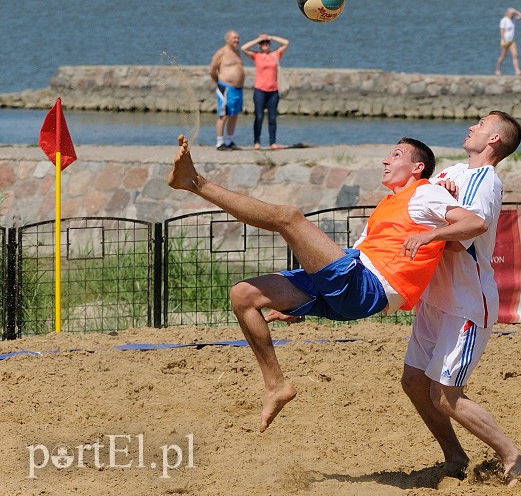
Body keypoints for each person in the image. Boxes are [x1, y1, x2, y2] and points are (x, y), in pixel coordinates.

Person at [167, 134, 486, 431]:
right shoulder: (390, 203)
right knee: (243, 295)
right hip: (353, 283)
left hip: (368, 285)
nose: (386, 160)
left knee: (288, 217)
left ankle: (196, 183)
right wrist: (302, 304)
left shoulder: (427, 191)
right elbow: (362, 253)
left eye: (396, 154)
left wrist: (431, 234)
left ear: (418, 168)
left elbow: (475, 222)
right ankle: (276, 386)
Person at [400, 111, 521, 486]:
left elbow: (461, 240)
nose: (472, 126)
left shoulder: (486, 181)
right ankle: (455, 455)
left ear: (494, 140)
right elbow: (419, 199)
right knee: (413, 381)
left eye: (481, 124)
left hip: (466, 301)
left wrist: (431, 232)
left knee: (445, 395)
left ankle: (514, 457)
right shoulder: (453, 172)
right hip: (436, 297)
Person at [242, 33, 290, 150]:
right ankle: (257, 142)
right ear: (259, 45)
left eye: (267, 43)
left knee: (272, 117)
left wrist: (271, 37)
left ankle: (272, 142)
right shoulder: (256, 56)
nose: (265, 45)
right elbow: (244, 48)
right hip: (260, 90)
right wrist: (258, 39)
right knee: (259, 117)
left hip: (273, 91)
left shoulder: (275, 55)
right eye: (263, 43)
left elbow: (286, 43)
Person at [210, 30, 245, 150]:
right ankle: (220, 142)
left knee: (234, 114)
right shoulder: (221, 53)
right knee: (223, 115)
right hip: (225, 88)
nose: (237, 40)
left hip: (237, 89)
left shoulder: (237, 52)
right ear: (227, 39)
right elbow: (212, 70)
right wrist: (220, 83)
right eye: (234, 38)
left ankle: (229, 141)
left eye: (238, 38)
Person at [495, 8, 521, 76]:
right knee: (503, 56)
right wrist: (503, 39)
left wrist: (515, 11)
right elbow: (502, 30)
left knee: (515, 55)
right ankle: (498, 69)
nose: (512, 15)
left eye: (513, 14)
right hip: (505, 41)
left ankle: (517, 71)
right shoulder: (504, 20)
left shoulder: (513, 19)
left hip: (511, 41)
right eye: (511, 13)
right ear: (507, 13)